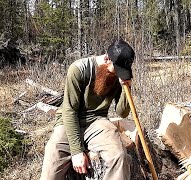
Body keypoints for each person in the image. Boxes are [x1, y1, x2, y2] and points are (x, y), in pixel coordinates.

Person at [40, 39, 135, 180]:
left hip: (97, 121)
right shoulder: (79, 69)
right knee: (53, 156)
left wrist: (127, 86)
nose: (119, 74)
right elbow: (70, 111)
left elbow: (122, 112)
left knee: (119, 156)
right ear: (107, 58)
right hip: (69, 121)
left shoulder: (118, 75)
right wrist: (77, 151)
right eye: (117, 69)